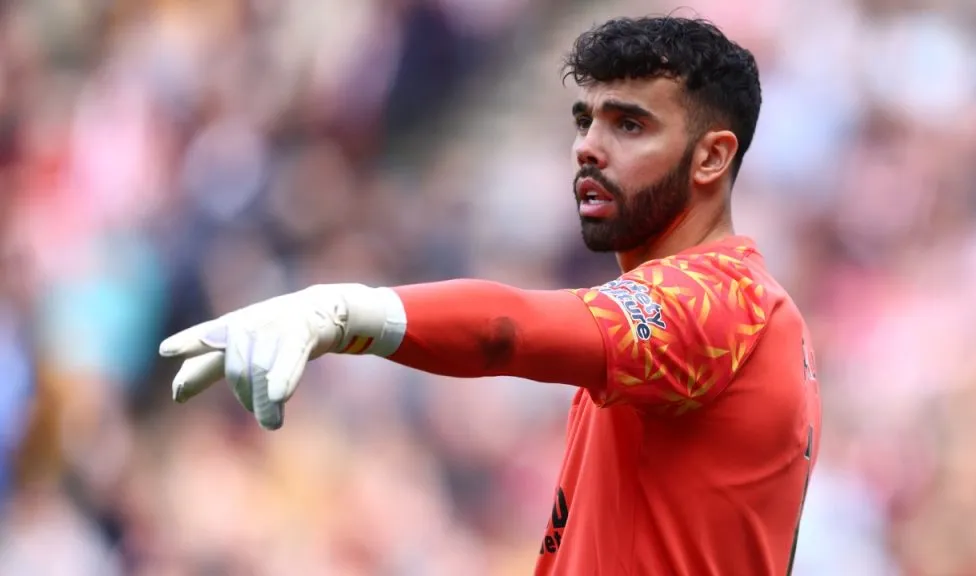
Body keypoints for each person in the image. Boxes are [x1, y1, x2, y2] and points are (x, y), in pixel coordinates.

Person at [159, 15, 822, 575]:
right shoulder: (723, 319)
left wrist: (342, 313)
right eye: (585, 121)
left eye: (629, 126)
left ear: (711, 158)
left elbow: (507, 328)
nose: (588, 148)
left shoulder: (722, 302)